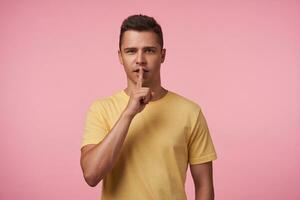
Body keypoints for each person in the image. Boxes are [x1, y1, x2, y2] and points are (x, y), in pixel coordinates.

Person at [80, 14, 217, 200]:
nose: (140, 59)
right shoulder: (101, 109)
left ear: (163, 55)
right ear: (120, 56)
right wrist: (129, 113)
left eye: (149, 50)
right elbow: (91, 175)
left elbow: (204, 186)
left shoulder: (190, 112)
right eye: (130, 51)